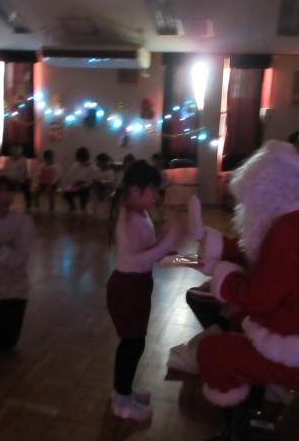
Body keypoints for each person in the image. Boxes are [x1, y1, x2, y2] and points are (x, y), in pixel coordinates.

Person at [194, 141, 299, 439]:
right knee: (238, 322)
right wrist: (219, 249)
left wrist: (223, 276)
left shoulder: (288, 231)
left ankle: (243, 429)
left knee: (213, 352)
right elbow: (263, 254)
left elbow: (257, 297)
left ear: (267, 189)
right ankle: (255, 404)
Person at [107, 160, 184, 421]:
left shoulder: (140, 214)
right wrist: (172, 236)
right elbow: (142, 258)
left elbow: (154, 253)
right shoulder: (129, 219)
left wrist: (192, 260)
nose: (157, 195)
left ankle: (123, 389)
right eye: (153, 189)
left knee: (135, 342)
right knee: (132, 343)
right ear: (137, 190)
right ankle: (121, 399)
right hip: (127, 289)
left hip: (137, 286)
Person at [0, 171, 34, 350]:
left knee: (2, 345)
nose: (4, 196)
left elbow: (19, 261)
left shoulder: (22, 221)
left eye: (8, 191)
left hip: (11, 293)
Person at [63, 147, 94, 213]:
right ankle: (72, 206)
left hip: (86, 186)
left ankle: (83, 207)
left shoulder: (91, 166)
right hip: (76, 185)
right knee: (66, 194)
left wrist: (84, 183)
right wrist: (75, 182)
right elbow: (70, 175)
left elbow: (91, 179)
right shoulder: (75, 165)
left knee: (83, 192)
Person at [4, 144, 32, 212]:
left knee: (26, 189)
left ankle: (28, 206)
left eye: (16, 152)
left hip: (22, 180)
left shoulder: (23, 160)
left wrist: (18, 181)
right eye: (13, 152)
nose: (15, 153)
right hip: (10, 180)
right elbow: (5, 171)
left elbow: (23, 172)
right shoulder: (7, 161)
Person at [91, 153, 115, 217]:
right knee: (95, 191)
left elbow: (109, 183)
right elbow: (94, 181)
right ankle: (94, 213)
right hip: (98, 188)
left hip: (107, 189)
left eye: (100, 162)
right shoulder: (97, 171)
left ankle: (107, 214)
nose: (99, 164)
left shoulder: (110, 172)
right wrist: (100, 184)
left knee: (108, 192)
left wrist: (101, 182)